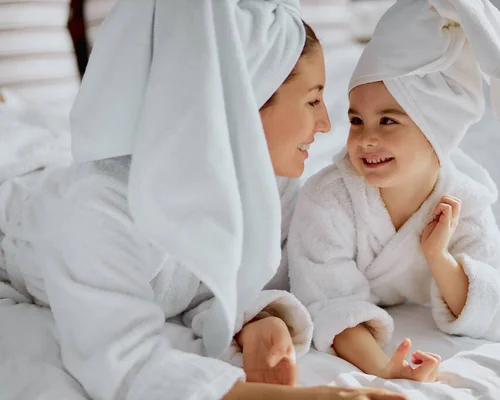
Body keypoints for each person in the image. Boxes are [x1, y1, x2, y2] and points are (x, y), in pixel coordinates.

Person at [0, 1, 409, 399]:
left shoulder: (270, 186)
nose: (325, 123)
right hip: (18, 191)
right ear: (243, 106)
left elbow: (214, 281)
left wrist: (256, 320)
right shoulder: (96, 213)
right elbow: (122, 363)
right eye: (312, 99)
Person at [287, 0, 500, 379]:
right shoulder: (328, 199)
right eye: (356, 120)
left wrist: (439, 256)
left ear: (436, 129)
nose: (366, 138)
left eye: (388, 120)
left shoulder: (462, 201)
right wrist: (383, 369)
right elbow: (328, 303)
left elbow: (496, 310)